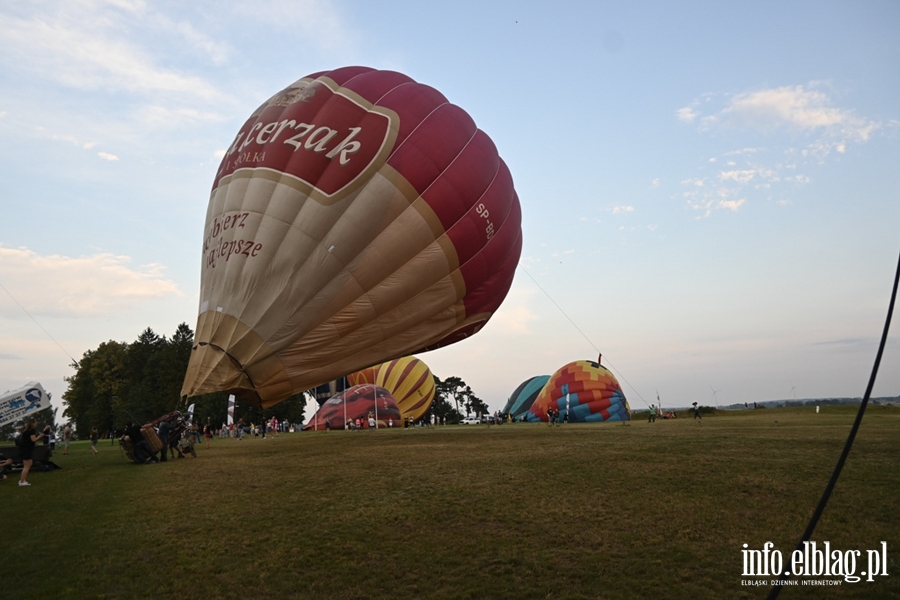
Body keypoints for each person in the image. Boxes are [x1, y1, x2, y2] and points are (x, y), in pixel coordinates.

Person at [18, 418, 45, 486]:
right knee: (27, 466)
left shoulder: (26, 431)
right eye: (36, 422)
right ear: (33, 423)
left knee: (29, 464)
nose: (36, 424)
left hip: (24, 449)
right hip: (26, 450)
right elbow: (33, 440)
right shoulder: (31, 430)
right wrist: (40, 436)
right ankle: (22, 482)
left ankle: (23, 479)